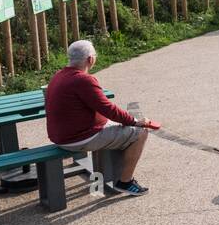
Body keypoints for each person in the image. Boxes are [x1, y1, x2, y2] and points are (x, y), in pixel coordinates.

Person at [45, 40, 155, 196]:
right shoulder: (83, 80)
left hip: (60, 136)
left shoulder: (58, 75)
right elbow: (108, 108)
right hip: (78, 139)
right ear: (91, 59)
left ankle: (113, 174)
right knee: (140, 132)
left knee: (119, 125)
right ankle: (125, 182)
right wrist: (136, 122)